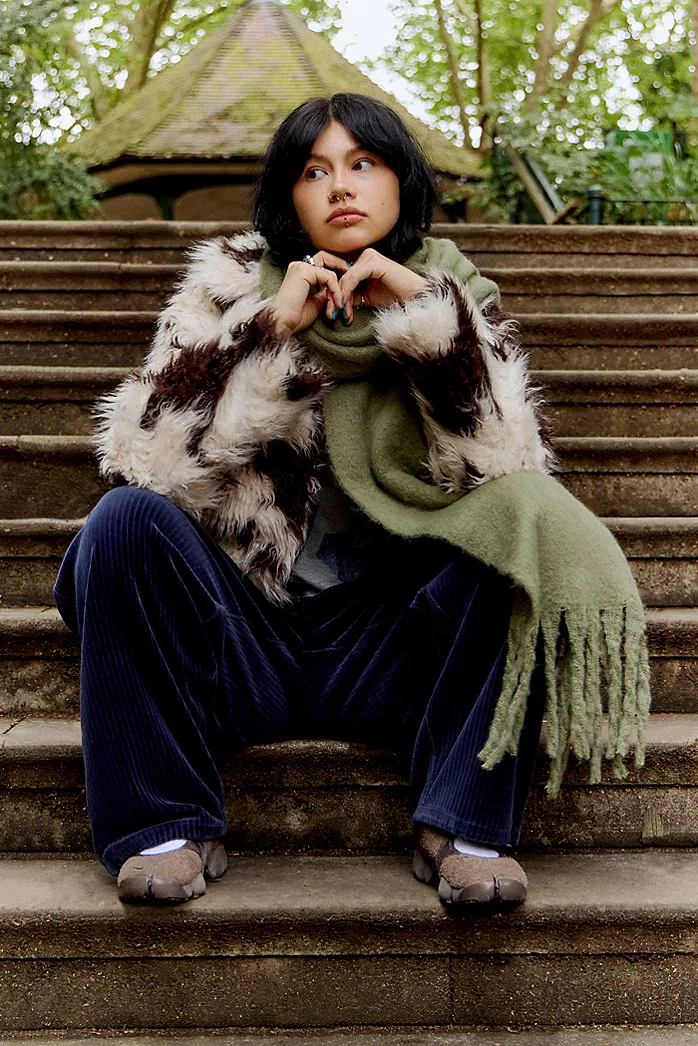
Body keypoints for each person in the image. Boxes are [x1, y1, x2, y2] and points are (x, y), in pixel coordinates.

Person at [54, 91, 558, 910]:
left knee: (523, 527)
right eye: (314, 171)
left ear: (401, 181)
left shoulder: (456, 292)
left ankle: (463, 825)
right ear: (288, 194)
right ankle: (163, 822)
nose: (341, 187)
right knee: (122, 522)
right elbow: (145, 458)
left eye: (364, 163)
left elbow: (510, 466)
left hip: (390, 645)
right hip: (242, 632)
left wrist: (427, 321)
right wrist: (268, 330)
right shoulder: (224, 288)